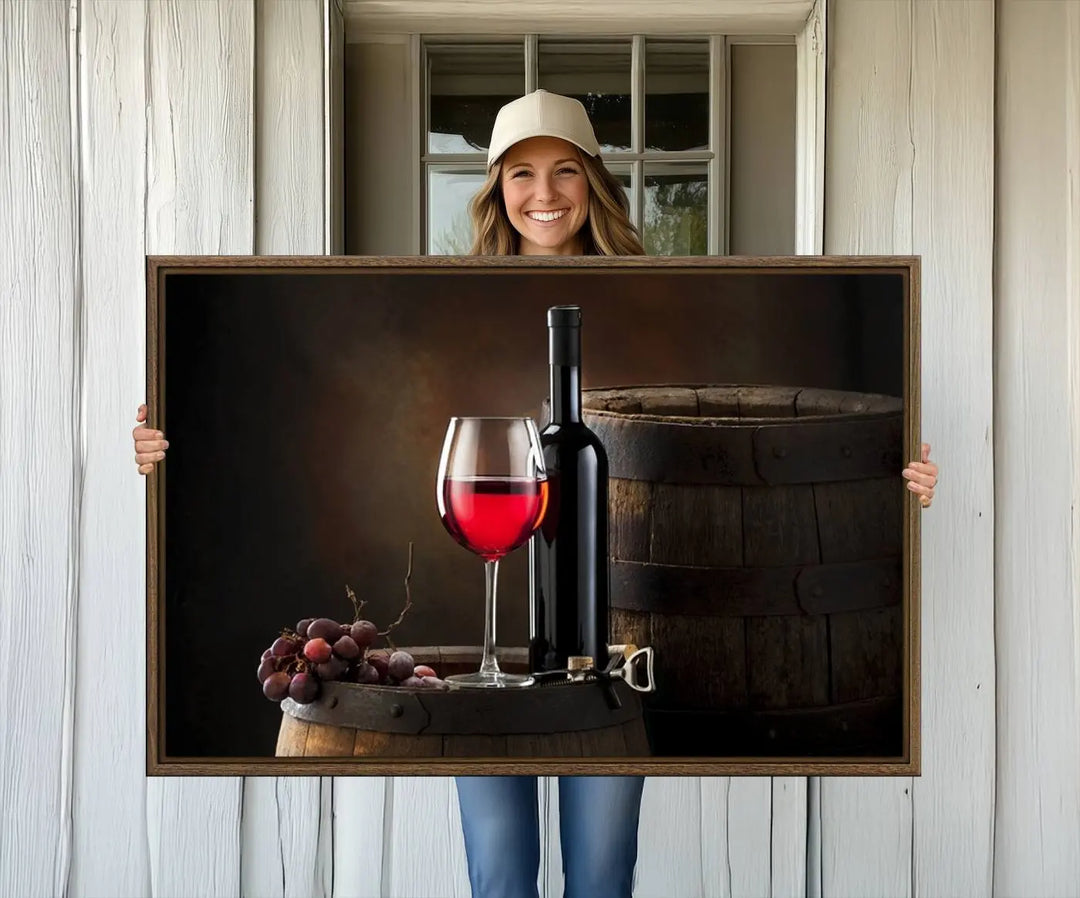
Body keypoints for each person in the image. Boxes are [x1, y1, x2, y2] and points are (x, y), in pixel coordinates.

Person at [131, 90, 940, 898]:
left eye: (565, 172)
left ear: (594, 182)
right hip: (489, 674)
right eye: (522, 173)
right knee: (500, 878)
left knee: (600, 879)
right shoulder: (442, 286)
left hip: (618, 665)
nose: (544, 194)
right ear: (495, 188)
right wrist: (157, 443)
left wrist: (901, 476)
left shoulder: (670, 284)